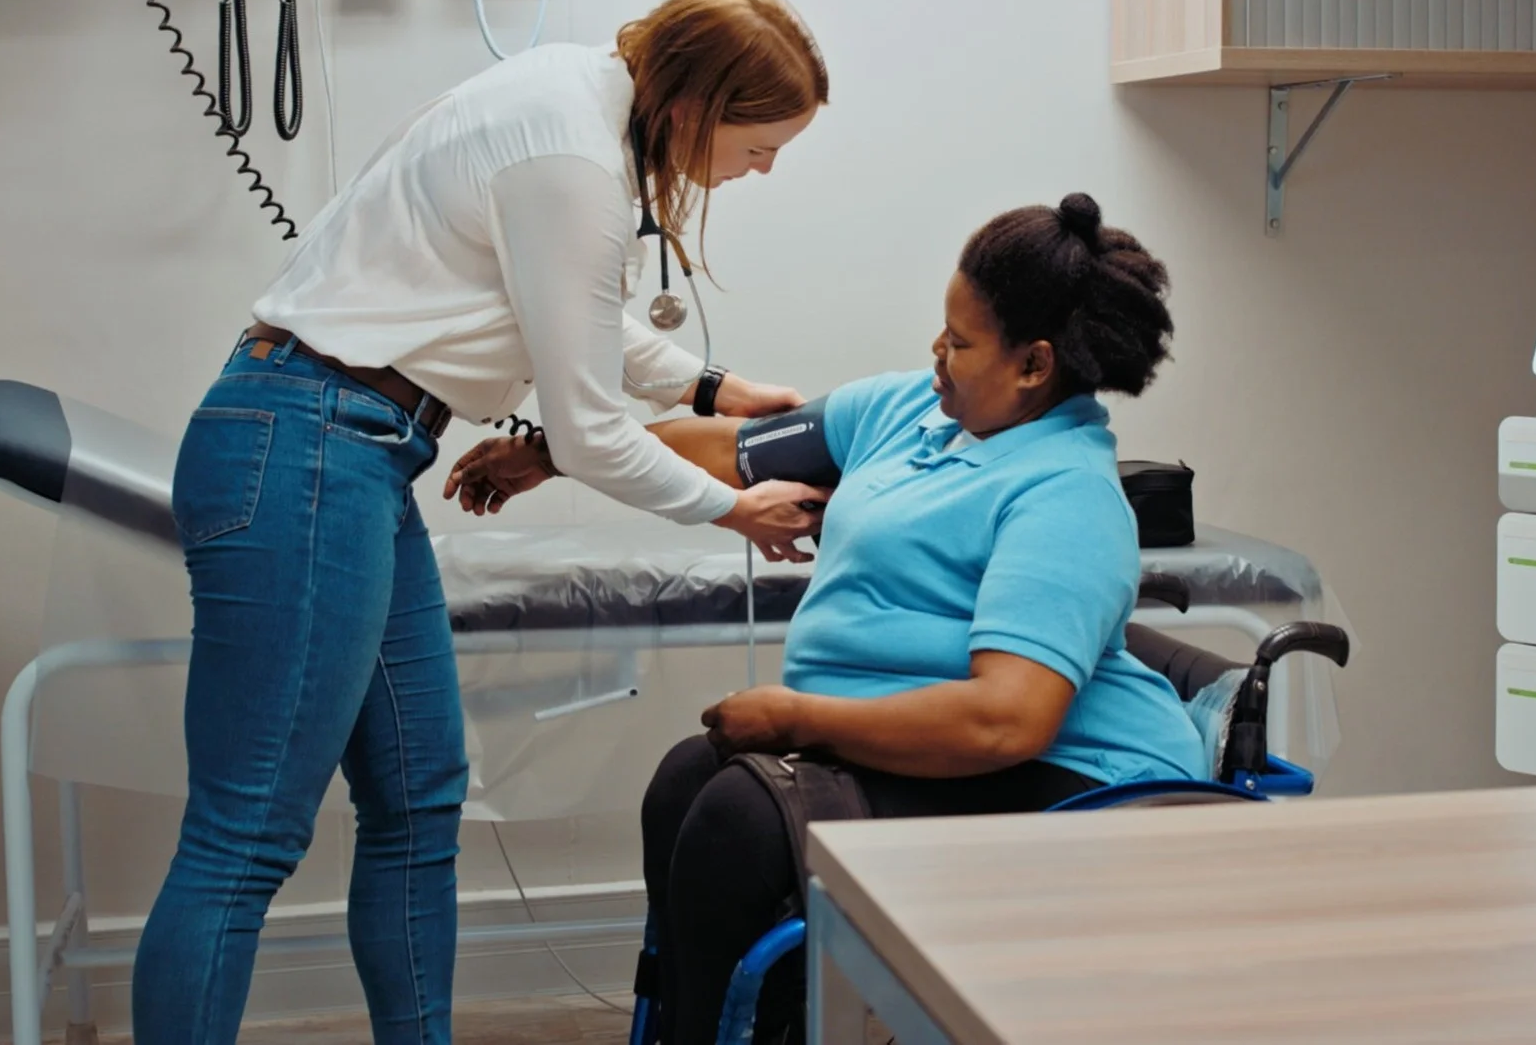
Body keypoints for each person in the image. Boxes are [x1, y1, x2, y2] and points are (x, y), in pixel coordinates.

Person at [131, 0, 835, 1045]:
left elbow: (566, 309)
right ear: (695, 107)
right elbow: (591, 430)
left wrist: (715, 389)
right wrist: (736, 507)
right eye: (761, 144)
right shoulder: (575, 163)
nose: (764, 169)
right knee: (248, 835)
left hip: (347, 453)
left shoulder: (570, 96)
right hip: (307, 449)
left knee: (418, 803)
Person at [448, 192, 1202, 1045]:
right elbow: (729, 451)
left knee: (742, 814)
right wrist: (557, 453)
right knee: (688, 778)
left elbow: (1009, 720)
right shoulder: (911, 413)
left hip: (1079, 785)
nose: (936, 355)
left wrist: (801, 718)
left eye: (959, 344)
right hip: (943, 747)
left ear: (1033, 366)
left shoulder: (1065, 494)